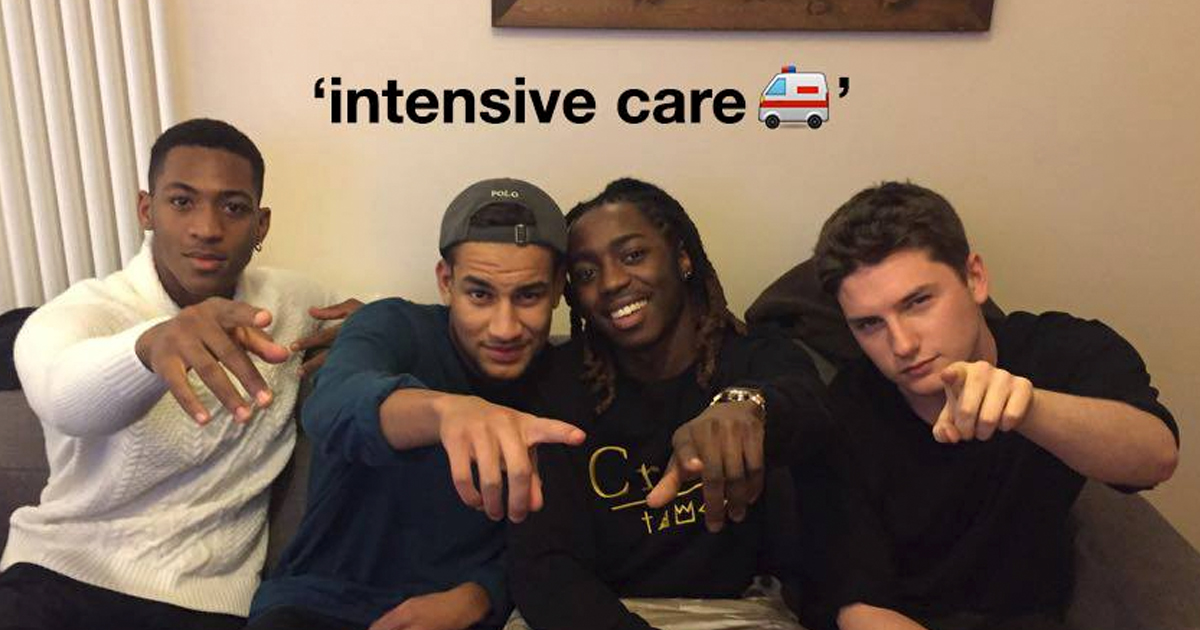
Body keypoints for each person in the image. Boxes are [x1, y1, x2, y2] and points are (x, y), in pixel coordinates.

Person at [0, 118, 358, 630]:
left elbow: (374, 318)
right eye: (182, 201)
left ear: (261, 225)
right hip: (57, 576)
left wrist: (370, 330)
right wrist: (148, 348)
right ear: (147, 209)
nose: (207, 228)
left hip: (208, 602)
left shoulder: (289, 302)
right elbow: (61, 396)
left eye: (233, 207)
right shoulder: (85, 311)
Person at [795, 181, 1179, 630]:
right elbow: (859, 608)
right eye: (869, 325)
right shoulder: (844, 414)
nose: (902, 344)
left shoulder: (1058, 350)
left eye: (918, 302)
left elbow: (1155, 458)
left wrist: (1029, 408)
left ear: (974, 278)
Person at [246, 178, 587, 630]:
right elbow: (332, 406)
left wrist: (482, 594)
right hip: (316, 607)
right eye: (480, 294)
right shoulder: (392, 325)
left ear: (559, 287)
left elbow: (564, 538)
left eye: (528, 296)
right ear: (446, 282)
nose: (504, 328)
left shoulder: (569, 381)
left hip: (465, 617)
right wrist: (446, 412)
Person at [509, 178, 831, 630]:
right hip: (592, 613)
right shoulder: (555, 385)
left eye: (633, 255)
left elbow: (808, 407)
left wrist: (746, 407)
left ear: (682, 258)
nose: (612, 282)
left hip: (734, 611)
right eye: (585, 273)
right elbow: (541, 565)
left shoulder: (753, 356)